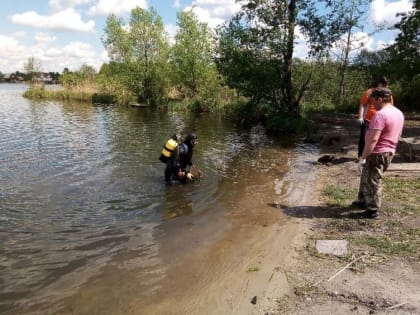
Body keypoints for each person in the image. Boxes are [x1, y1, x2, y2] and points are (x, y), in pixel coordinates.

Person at [352, 87, 404, 219]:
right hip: (388, 151)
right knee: (366, 175)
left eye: (373, 101)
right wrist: (392, 148)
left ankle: (373, 210)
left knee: (373, 180)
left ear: (379, 99)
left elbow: (373, 139)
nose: (372, 104)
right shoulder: (398, 113)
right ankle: (363, 200)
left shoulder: (380, 115)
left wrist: (363, 157)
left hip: (377, 152)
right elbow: (398, 135)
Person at [357, 77, 393, 159]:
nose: (384, 87)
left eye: (385, 85)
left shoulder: (388, 94)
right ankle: (360, 155)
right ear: (379, 84)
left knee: (377, 138)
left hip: (381, 120)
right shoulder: (370, 92)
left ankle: (374, 155)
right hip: (368, 119)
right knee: (364, 137)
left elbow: (390, 107)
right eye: (383, 85)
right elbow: (363, 104)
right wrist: (360, 117)